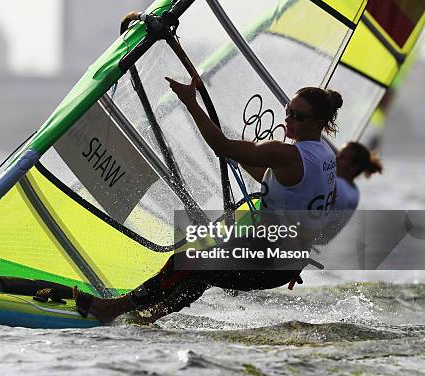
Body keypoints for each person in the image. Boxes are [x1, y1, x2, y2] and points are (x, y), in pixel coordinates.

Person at [74, 76, 344, 323]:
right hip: (286, 256)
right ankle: (148, 317)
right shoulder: (324, 156)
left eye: (297, 116)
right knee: (201, 268)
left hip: (271, 258)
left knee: (187, 262)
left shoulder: (285, 153)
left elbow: (221, 146)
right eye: (288, 111)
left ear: (319, 123)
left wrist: (191, 102)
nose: (289, 119)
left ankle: (112, 309)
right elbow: (284, 184)